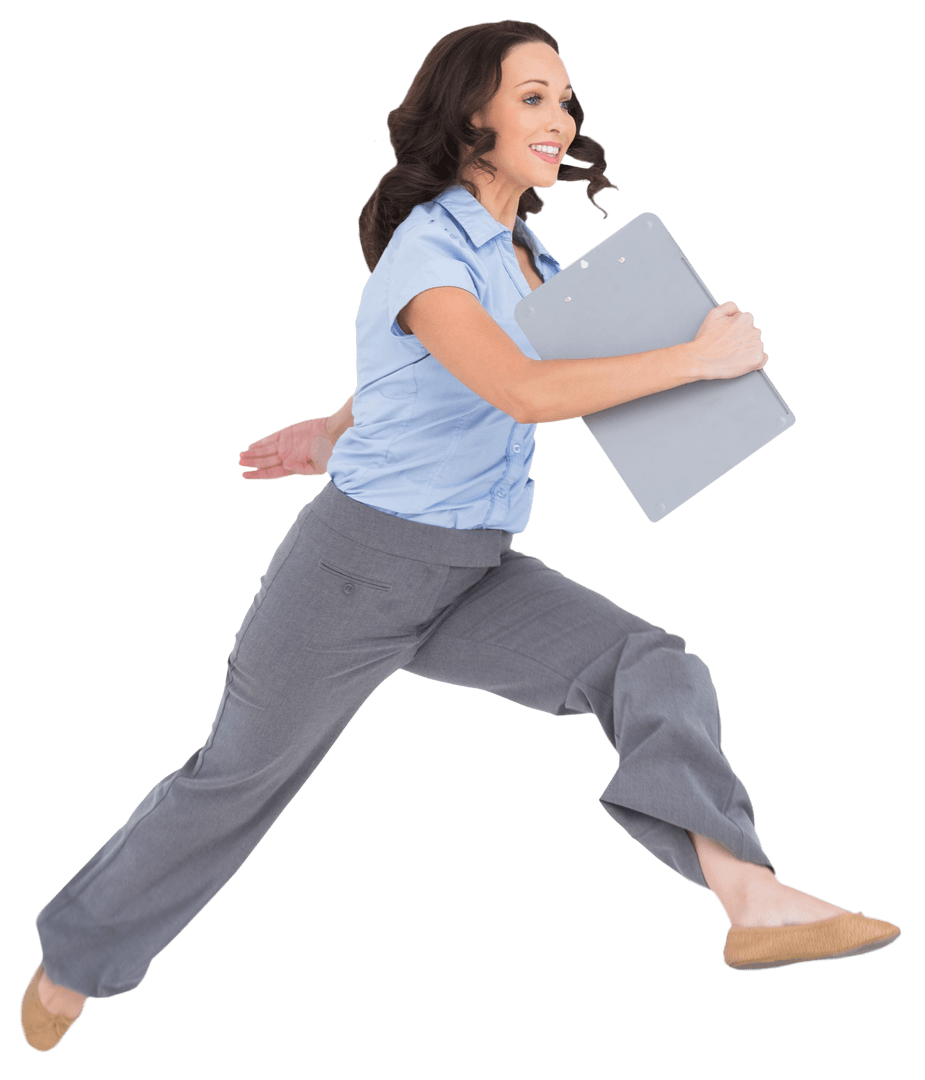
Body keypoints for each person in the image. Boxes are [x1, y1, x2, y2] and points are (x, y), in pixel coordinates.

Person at [21, 18, 900, 1054]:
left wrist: (335, 424)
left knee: (648, 662)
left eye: (566, 98)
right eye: (532, 95)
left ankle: (750, 898)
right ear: (470, 113)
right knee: (238, 778)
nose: (560, 116)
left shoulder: (530, 252)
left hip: (475, 568)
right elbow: (520, 388)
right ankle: (74, 957)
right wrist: (695, 362)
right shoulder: (427, 245)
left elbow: (446, 366)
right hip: (355, 569)